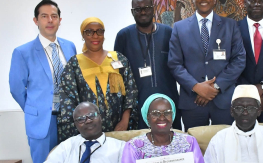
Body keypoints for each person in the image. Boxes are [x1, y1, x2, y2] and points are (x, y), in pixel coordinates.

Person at [9, 0, 77, 163]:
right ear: (36, 20)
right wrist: (34, 109)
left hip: (69, 119)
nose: (50, 20)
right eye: (44, 16)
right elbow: (16, 88)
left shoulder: (70, 47)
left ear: (60, 20)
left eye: (54, 16)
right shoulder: (23, 52)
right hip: (42, 121)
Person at [168, 0, 246, 131]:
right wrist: (196, 87)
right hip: (192, 102)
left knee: (224, 146)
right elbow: (174, 64)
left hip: (223, 101)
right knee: (196, 146)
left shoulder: (230, 25)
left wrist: (215, 87)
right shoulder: (179, 27)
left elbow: (239, 59)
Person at [58, 17, 138, 142]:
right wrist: (82, 127)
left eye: (99, 31)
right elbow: (68, 101)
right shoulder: (74, 64)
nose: (95, 36)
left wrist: (125, 120)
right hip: (88, 132)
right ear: (83, 35)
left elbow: (131, 91)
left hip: (119, 129)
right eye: (89, 32)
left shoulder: (118, 59)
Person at [117, 94, 209, 163]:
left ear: (173, 116)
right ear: (147, 117)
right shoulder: (134, 146)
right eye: (155, 113)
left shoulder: (188, 142)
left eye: (167, 113)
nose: (162, 117)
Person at [26, 102, 125, 163]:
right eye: (81, 119)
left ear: (100, 117)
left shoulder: (120, 147)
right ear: (75, 124)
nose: (88, 121)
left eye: (91, 115)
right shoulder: (67, 145)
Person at [114, 0, 182, 130]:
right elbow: (119, 75)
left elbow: (178, 64)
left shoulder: (168, 32)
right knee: (142, 143)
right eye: (138, 9)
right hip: (138, 103)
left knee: (171, 142)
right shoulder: (123, 36)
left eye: (146, 7)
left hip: (169, 100)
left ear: (153, 8)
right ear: (132, 12)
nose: (143, 12)